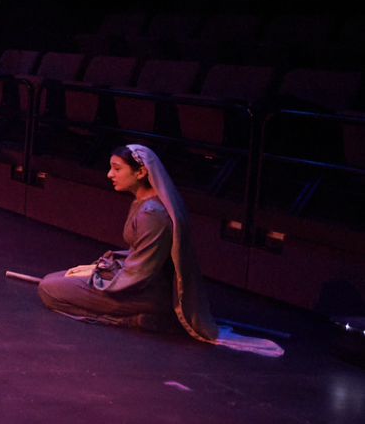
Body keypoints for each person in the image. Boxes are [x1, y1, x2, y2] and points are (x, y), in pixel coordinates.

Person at [35, 142, 280, 355]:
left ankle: (132, 318)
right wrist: (96, 268)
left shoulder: (152, 213)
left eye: (117, 169)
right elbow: (139, 255)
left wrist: (97, 279)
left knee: (48, 288)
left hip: (147, 293)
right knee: (57, 279)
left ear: (141, 171)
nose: (110, 174)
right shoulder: (142, 202)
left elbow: (140, 274)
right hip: (139, 284)